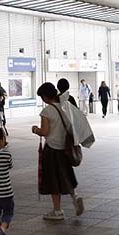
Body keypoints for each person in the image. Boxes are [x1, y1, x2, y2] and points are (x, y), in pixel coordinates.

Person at [32, 82, 84, 221]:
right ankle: (75, 197)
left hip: (52, 150)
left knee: (53, 180)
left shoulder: (47, 111)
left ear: (44, 97)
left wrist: (35, 129)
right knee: (66, 175)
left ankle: (57, 210)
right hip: (64, 148)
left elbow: (45, 131)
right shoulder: (64, 107)